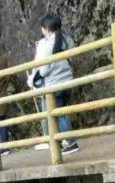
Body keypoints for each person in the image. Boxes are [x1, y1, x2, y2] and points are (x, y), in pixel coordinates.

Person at [28, 13, 78, 154]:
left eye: (42, 28)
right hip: (67, 81)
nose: (42, 31)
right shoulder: (67, 40)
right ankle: (61, 141)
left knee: (57, 114)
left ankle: (70, 142)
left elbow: (43, 69)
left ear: (47, 29)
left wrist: (32, 80)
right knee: (61, 112)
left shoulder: (45, 44)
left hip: (53, 85)